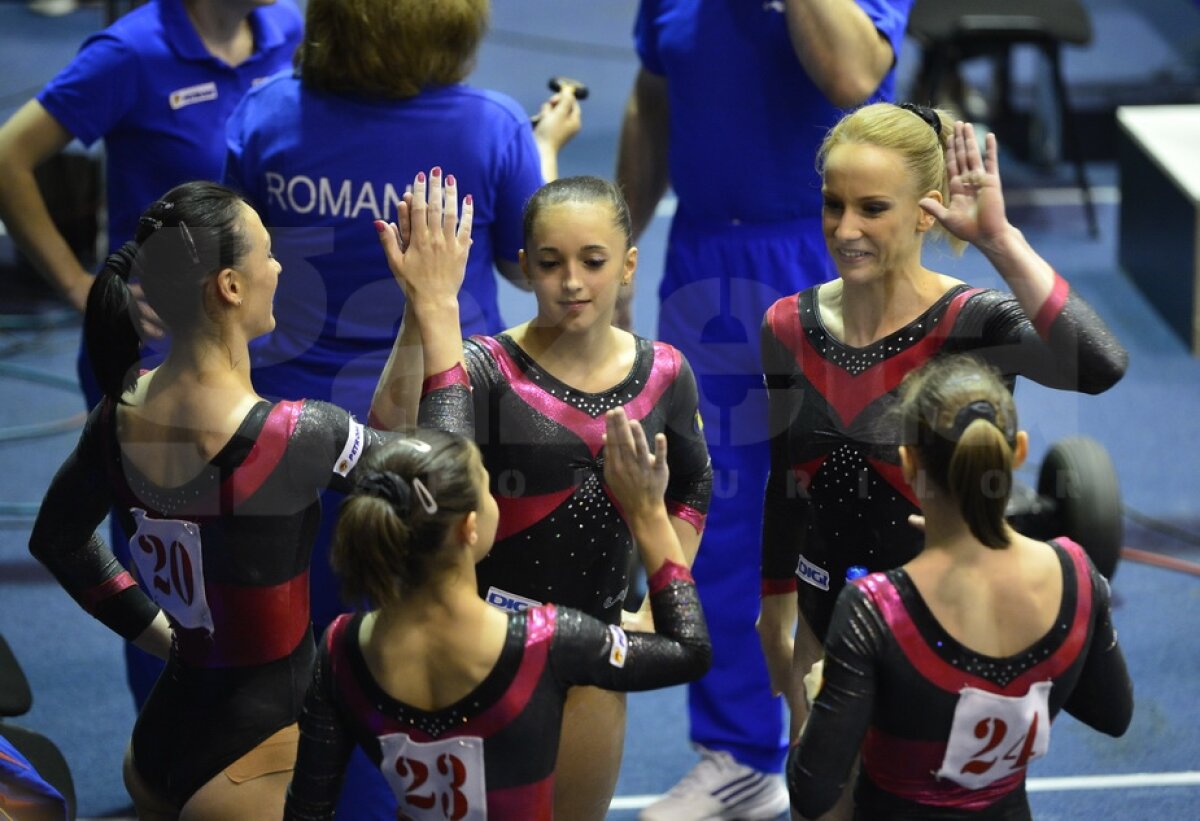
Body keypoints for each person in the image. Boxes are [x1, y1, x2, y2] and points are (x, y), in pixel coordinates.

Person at [26, 174, 471, 818]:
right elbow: (446, 477)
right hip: (251, 761)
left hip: (160, 740)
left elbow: (59, 540)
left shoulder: (118, 413)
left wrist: (161, 636)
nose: (279, 266)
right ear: (230, 286)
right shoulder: (291, 435)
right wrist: (437, 306)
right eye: (266, 252)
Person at [759, 107, 1129, 788]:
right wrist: (776, 604)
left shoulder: (973, 324)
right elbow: (789, 478)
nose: (845, 229)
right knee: (819, 803)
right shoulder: (788, 324)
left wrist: (1001, 239)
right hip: (824, 624)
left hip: (945, 634)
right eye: (833, 204)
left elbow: (1099, 366)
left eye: (872, 208)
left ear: (927, 213)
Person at [615, 2, 915, 817]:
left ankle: (879, 745)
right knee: (714, 503)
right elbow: (652, 96)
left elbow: (855, 74)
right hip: (705, 256)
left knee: (857, 502)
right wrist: (616, 244)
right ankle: (741, 754)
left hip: (827, 251)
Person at [375, 174, 713, 820]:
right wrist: (421, 308)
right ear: (525, 267)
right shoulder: (482, 366)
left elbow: (694, 482)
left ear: (628, 264)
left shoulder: (665, 371)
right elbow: (393, 426)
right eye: (551, 263)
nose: (573, 281)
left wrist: (658, 594)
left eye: (593, 261)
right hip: (481, 652)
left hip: (591, 653)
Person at [0, 0, 303, 708]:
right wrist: (80, 284)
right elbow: (10, 155)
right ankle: (170, 733)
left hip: (248, 338)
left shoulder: (287, 28)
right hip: (156, 358)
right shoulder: (130, 53)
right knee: (166, 561)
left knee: (255, 547)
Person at [283, 408, 713, 820]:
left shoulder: (341, 648)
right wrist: (649, 514)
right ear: (469, 528)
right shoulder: (546, 642)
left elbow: (308, 809)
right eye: (488, 487)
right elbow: (687, 650)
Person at [786, 353, 1134, 818]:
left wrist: (820, 696)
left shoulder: (877, 609)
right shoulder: (1076, 573)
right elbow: (1112, 715)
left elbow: (812, 790)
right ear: (1019, 451)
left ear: (909, 462)